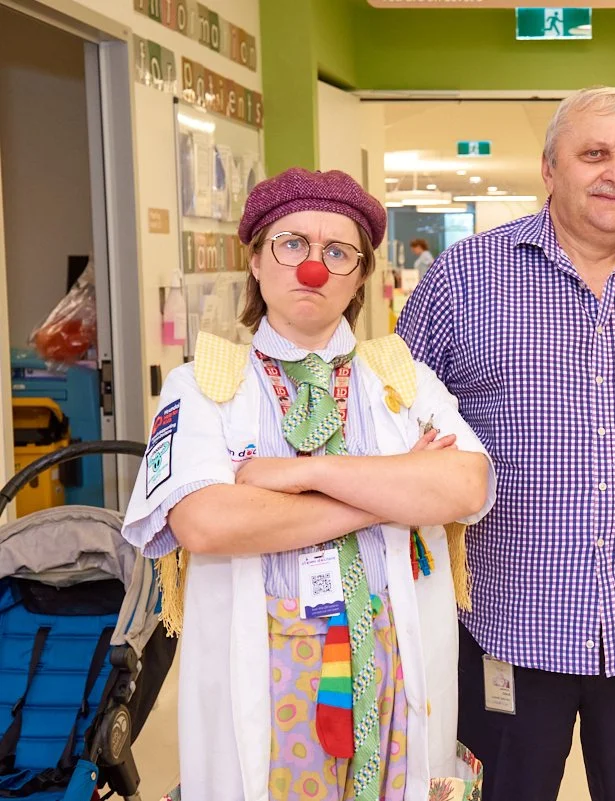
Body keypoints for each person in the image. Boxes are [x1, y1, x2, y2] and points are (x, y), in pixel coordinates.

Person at [121, 168, 494, 801]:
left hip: (394, 659)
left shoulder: (402, 375)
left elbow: (466, 485)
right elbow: (206, 522)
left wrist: (305, 473)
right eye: (292, 244)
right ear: (257, 261)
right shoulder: (204, 383)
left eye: (337, 252)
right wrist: (388, 492)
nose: (312, 267)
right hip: (265, 668)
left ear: (358, 277)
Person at [396, 87, 615, 801]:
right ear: (550, 168)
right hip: (505, 626)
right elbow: (395, 423)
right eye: (594, 154)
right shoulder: (462, 279)